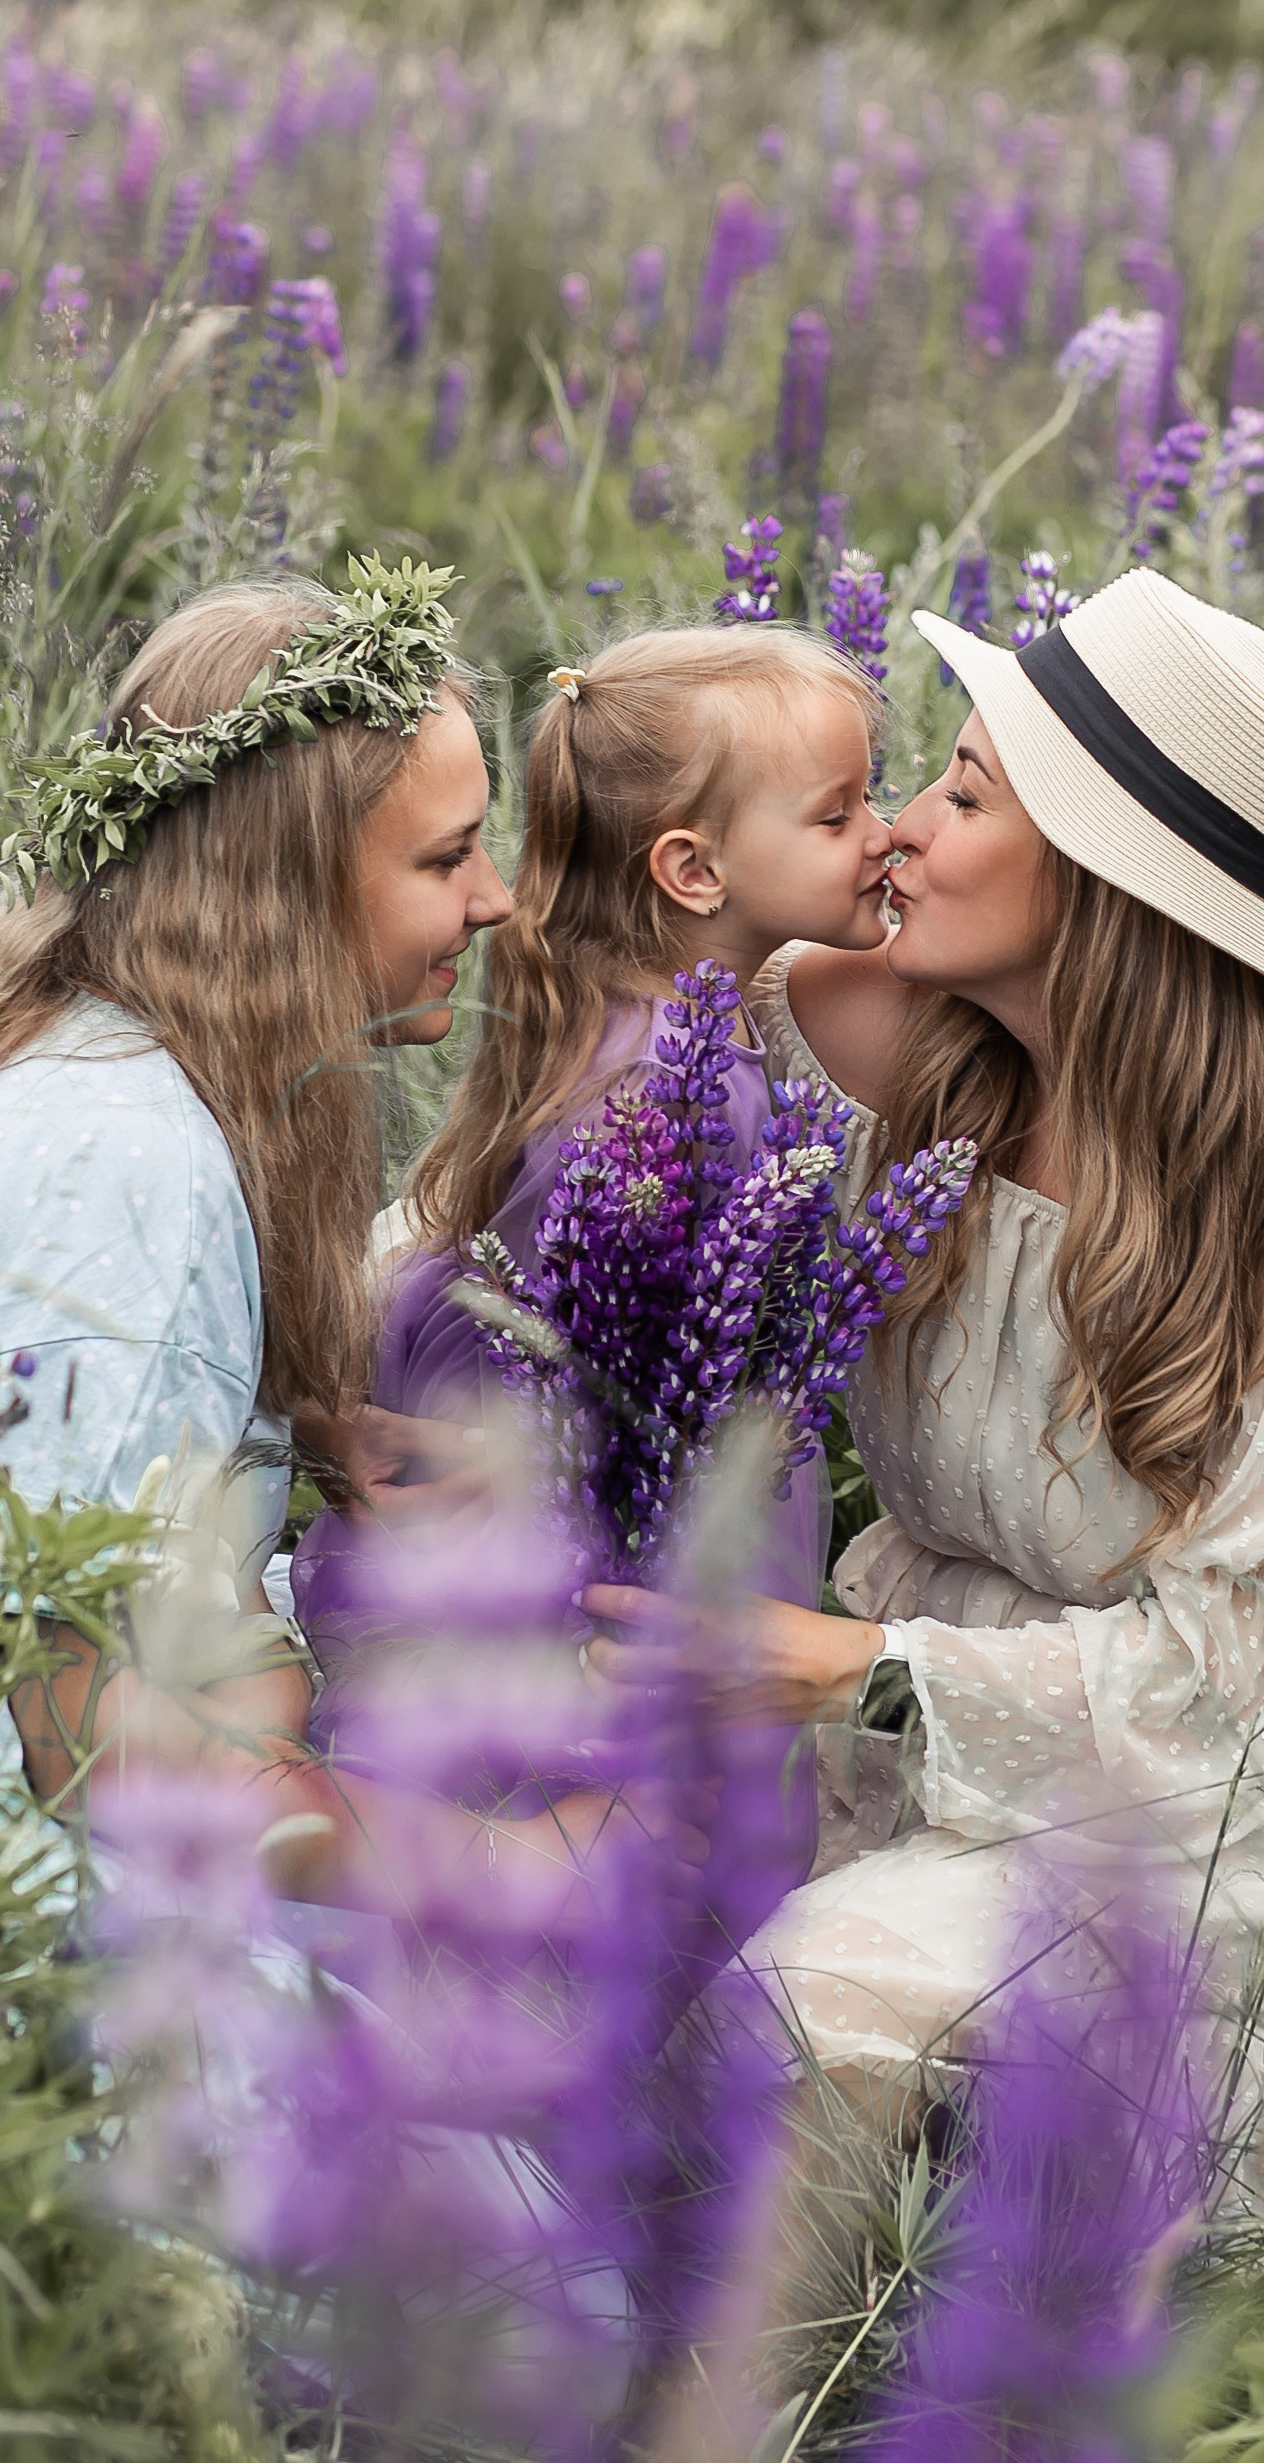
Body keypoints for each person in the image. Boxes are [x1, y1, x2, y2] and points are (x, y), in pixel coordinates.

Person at [583, 567, 1264, 2208]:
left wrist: (861, 1667)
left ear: (1099, 876)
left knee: (800, 2033)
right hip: (934, 1722)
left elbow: (1240, 1688)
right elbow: (598, 1086)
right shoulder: (891, 1032)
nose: (902, 831)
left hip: (1234, 1803)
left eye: (962, 793)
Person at [0, 557, 656, 1925]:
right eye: (443, 857)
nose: (493, 899)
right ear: (288, 895)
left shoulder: (81, 1048)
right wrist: (511, 1868)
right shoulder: (136, 1165)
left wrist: (287, 1435)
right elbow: (98, 1744)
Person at [289, 621, 894, 1920]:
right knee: (617, 1945)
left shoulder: (621, 1026)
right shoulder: (676, 1106)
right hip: (593, 1647)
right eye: (840, 813)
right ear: (694, 867)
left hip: (562, 1587)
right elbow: (606, 1437)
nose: (884, 835)